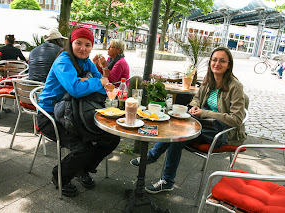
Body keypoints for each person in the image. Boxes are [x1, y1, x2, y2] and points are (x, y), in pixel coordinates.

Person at [130, 47, 247, 194]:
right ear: (210, 62)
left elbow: (237, 119)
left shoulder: (235, 87)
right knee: (176, 126)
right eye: (215, 60)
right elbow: (196, 99)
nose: (217, 63)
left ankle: (157, 164)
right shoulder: (209, 81)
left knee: (178, 136)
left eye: (222, 61)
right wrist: (194, 107)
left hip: (223, 132)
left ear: (229, 65)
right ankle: (161, 171)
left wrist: (205, 113)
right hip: (205, 124)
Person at [37, 27, 120, 197]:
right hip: (50, 117)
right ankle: (59, 176)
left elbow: (105, 88)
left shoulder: (87, 62)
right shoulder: (63, 61)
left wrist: (90, 82)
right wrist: (94, 82)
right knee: (84, 149)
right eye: (78, 43)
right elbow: (75, 89)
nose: (83, 48)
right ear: (71, 43)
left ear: (92, 47)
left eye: (87, 45)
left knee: (111, 138)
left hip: (76, 114)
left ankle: (83, 169)